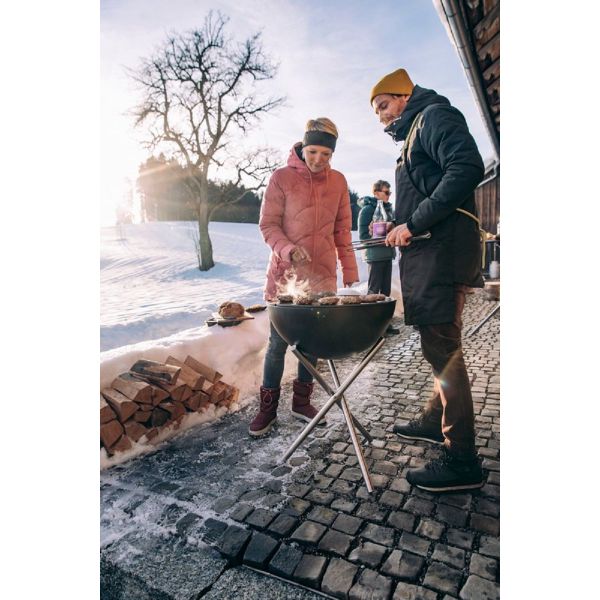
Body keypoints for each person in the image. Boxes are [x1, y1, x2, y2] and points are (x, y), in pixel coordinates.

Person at [370, 68, 485, 491]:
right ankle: (434, 420)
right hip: (430, 254)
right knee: (439, 348)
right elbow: (427, 190)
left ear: (404, 95)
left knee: (444, 349)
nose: (381, 117)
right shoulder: (414, 132)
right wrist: (395, 226)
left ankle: (462, 460)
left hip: (442, 254)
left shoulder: (434, 116)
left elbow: (466, 167)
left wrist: (413, 223)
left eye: (383, 105)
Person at [249, 117, 359, 437]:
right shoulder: (281, 178)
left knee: (311, 343)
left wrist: (349, 270)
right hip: (286, 275)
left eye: (326, 154)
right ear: (303, 146)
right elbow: (268, 225)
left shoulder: (338, 182)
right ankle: (267, 410)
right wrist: (288, 249)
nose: (318, 160)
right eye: (313, 152)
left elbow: (342, 229)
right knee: (277, 344)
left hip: (322, 276)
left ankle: (301, 403)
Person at [357, 179, 399, 335]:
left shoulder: (389, 210)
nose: (389, 195)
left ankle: (384, 325)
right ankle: (370, 326)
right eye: (386, 192)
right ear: (376, 193)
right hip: (375, 255)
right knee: (374, 291)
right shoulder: (368, 210)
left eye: (390, 192)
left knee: (386, 291)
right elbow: (363, 236)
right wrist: (376, 233)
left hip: (387, 253)